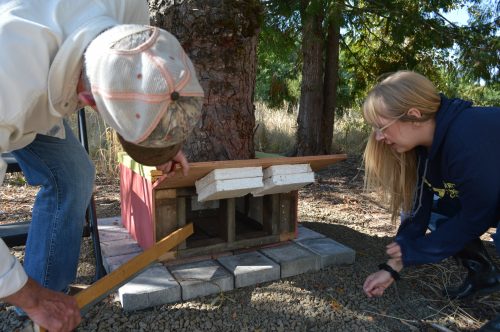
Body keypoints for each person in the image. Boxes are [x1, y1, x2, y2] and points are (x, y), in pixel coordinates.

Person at [0, 0, 204, 330]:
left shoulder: (129, 9)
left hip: (51, 65)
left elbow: (137, 77)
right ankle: (40, 308)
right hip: (17, 78)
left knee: (75, 176)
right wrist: (29, 296)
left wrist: (163, 142)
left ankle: (53, 300)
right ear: (88, 101)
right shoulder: (10, 88)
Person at [361, 70, 500, 331]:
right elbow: (419, 208)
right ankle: (483, 275)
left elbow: (477, 214)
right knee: (440, 207)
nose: (378, 137)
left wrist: (418, 251)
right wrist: (393, 266)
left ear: (413, 115)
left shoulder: (465, 137)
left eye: (382, 127)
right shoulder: (424, 151)